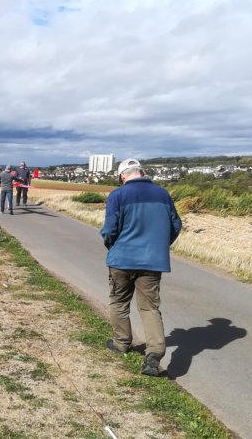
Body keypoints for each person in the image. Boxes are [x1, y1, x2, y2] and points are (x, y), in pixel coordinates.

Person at [99, 158, 182, 376]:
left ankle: (121, 343)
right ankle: (154, 354)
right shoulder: (163, 194)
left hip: (122, 259)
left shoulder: (118, 195)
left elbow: (109, 229)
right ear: (142, 173)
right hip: (152, 262)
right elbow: (176, 225)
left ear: (122, 176)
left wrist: (112, 246)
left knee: (119, 302)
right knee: (149, 308)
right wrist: (159, 246)